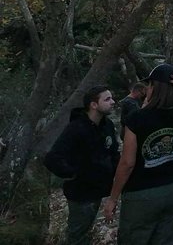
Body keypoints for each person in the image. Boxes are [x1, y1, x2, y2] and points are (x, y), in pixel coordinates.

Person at [102, 64, 173, 245]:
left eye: (148, 84)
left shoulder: (136, 118)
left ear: (155, 87)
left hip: (142, 194)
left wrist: (113, 198)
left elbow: (127, 163)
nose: (145, 88)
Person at [44, 85, 119, 245]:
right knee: (77, 236)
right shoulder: (76, 128)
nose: (113, 102)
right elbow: (52, 159)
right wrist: (75, 174)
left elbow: (113, 154)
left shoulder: (108, 126)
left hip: (102, 190)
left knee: (85, 232)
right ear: (93, 104)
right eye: (107, 99)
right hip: (81, 195)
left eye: (111, 98)